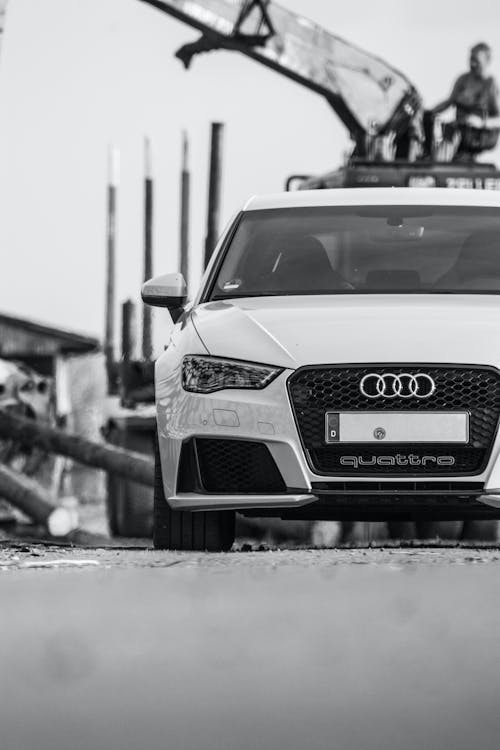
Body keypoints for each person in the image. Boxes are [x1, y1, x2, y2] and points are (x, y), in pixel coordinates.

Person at [428, 42, 500, 159]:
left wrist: (481, 122)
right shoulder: (463, 79)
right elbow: (449, 102)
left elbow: (498, 119)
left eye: (476, 60)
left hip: (478, 135)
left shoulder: (491, 85)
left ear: (487, 61)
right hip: (459, 130)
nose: (472, 64)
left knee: (450, 145)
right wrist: (430, 112)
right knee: (438, 135)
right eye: (471, 59)